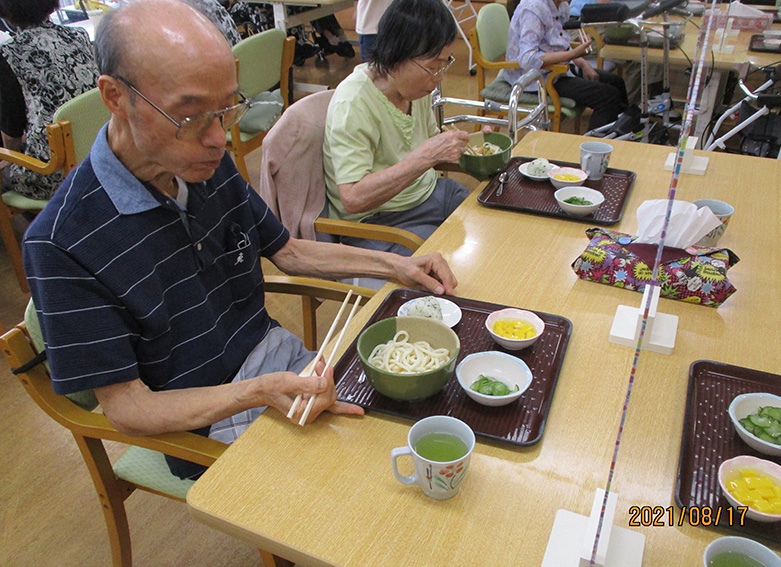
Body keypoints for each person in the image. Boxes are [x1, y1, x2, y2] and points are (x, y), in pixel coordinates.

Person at [22, 0, 458, 482]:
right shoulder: (63, 241)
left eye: (228, 109)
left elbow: (288, 251)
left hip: (282, 365)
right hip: (206, 423)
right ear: (114, 96)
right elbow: (128, 409)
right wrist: (256, 392)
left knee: (425, 423)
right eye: (191, 117)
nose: (218, 138)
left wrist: (399, 268)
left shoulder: (204, 163)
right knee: (368, 483)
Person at [323, 0, 472, 257]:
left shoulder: (416, 87)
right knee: (444, 259)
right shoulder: (354, 103)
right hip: (377, 221)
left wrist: (472, 148)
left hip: (427, 194)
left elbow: (427, 140)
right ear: (396, 54)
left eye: (444, 65)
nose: (439, 79)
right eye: (433, 67)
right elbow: (354, 197)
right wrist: (426, 156)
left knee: (484, 218)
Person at [0, 0, 97, 199]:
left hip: (55, 172)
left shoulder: (9, 53)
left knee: (5, 174)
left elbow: (12, 135)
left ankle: (44, 226)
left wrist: (10, 159)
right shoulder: (79, 36)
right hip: (98, 155)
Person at [502, 0, 628, 130]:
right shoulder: (532, 10)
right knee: (608, 97)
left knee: (616, 82)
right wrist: (572, 55)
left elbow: (561, 45)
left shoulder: (562, 7)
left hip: (557, 69)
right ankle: (594, 147)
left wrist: (584, 64)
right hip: (534, 78)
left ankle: (622, 132)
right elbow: (527, 59)